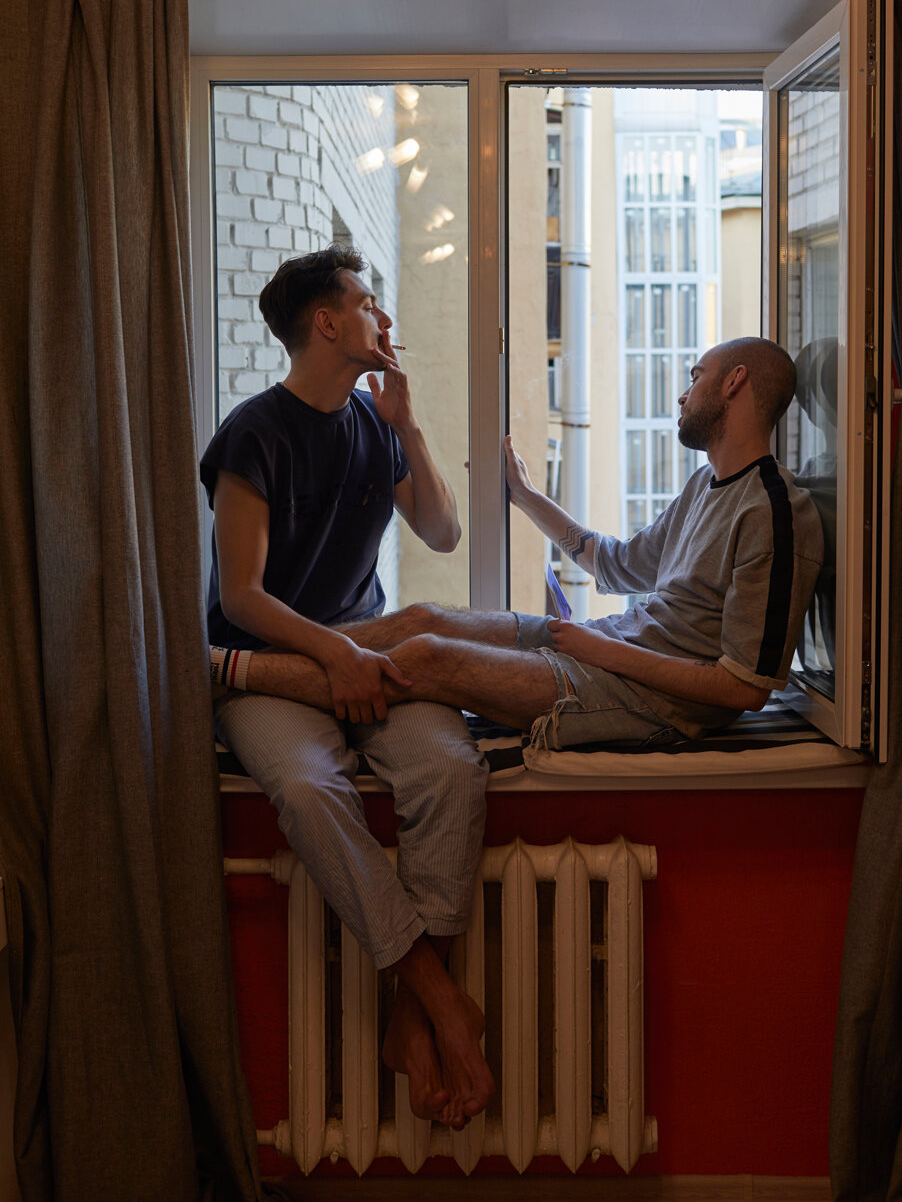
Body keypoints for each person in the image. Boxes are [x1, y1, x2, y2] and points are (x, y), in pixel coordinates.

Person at [211, 336, 825, 757]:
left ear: (735, 383)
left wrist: (601, 652)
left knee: (427, 656)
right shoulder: (706, 486)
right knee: (424, 617)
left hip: (648, 701)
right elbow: (616, 566)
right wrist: (526, 495)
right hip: (610, 651)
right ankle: (249, 665)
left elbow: (744, 688)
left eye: (696, 378)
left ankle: (224, 671)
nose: (684, 394)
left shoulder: (774, 512)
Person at [202, 245, 493, 1130]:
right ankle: (437, 995)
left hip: (361, 654)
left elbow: (441, 531)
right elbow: (241, 596)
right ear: (326, 322)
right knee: (306, 788)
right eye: (369, 303)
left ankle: (411, 1016)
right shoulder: (252, 434)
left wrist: (407, 425)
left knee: (450, 769)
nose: (384, 319)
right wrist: (330, 655)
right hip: (270, 669)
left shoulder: (371, 425)